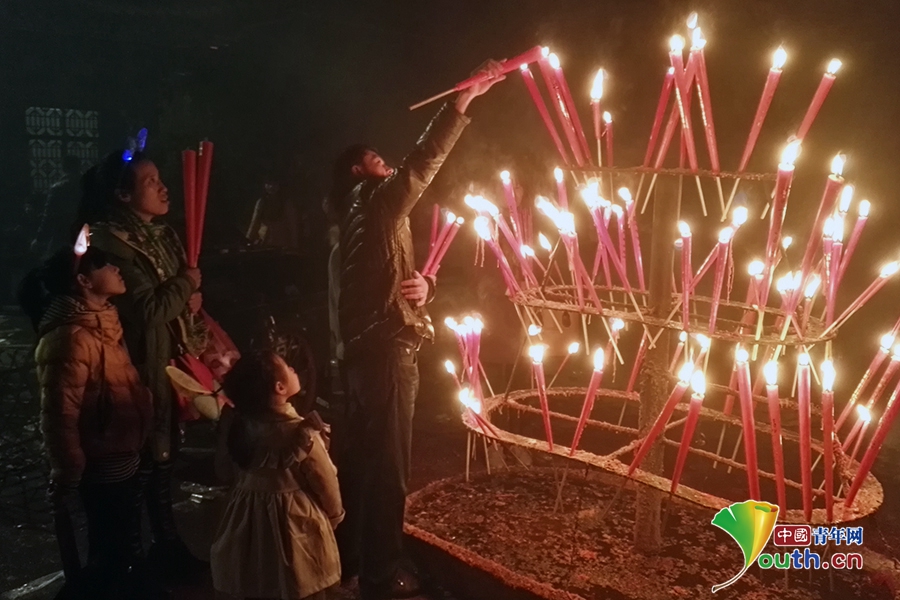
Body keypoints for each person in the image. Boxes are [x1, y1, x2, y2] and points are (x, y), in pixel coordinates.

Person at [329, 60, 504, 600]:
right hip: (385, 353)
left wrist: (423, 284)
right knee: (390, 469)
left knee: (367, 463)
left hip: (368, 352)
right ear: (358, 172)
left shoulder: (360, 221)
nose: (386, 164)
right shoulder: (375, 203)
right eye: (376, 160)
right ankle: (381, 575)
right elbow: (421, 164)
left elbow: (384, 280)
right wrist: (461, 102)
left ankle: (355, 561)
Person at [76, 149, 208, 583]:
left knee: (163, 462)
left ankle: (167, 547)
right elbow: (149, 309)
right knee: (139, 466)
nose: (164, 188)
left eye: (160, 178)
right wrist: (185, 284)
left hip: (161, 363)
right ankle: (133, 564)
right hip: (133, 370)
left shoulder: (161, 235)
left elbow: (172, 303)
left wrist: (187, 300)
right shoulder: (112, 241)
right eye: (151, 182)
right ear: (123, 195)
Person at [18, 244, 163, 599]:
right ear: (84, 281)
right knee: (113, 546)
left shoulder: (103, 323)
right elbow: (60, 416)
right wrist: (67, 473)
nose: (116, 269)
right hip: (103, 462)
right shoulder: (71, 337)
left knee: (123, 542)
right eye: (105, 265)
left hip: (124, 451)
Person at [211, 352, 344, 600]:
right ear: (279, 387)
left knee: (256, 578)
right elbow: (325, 481)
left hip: (247, 520)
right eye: (288, 367)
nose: (293, 369)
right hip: (295, 522)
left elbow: (224, 470)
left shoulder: (240, 428)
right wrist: (335, 515)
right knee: (297, 579)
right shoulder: (301, 434)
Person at [32, 155, 83, 259]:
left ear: (63, 168)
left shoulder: (58, 188)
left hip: (62, 232)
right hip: (84, 230)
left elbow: (49, 215)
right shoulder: (88, 187)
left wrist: (39, 239)